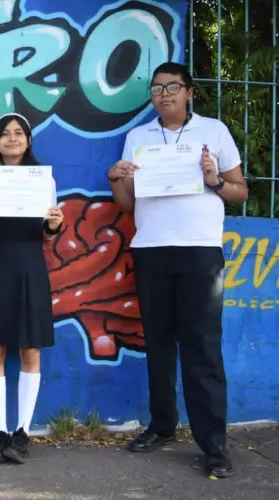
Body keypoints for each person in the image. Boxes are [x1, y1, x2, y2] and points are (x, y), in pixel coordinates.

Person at [108, 62, 248, 478]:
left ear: (190, 92)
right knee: (159, 343)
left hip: (200, 251)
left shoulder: (214, 132)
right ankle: (162, 425)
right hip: (151, 249)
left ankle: (213, 444)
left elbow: (239, 192)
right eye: (156, 88)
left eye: (172, 87)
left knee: (202, 345)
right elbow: (127, 204)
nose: (163, 94)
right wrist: (116, 178)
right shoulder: (138, 137)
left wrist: (214, 181)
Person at [0, 113, 63, 464]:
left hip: (29, 268)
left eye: (19, 132)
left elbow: (47, 233)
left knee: (29, 350)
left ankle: (23, 431)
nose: (12, 138)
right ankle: (0, 430)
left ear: (29, 140)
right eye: (5, 133)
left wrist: (53, 226)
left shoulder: (43, 181)